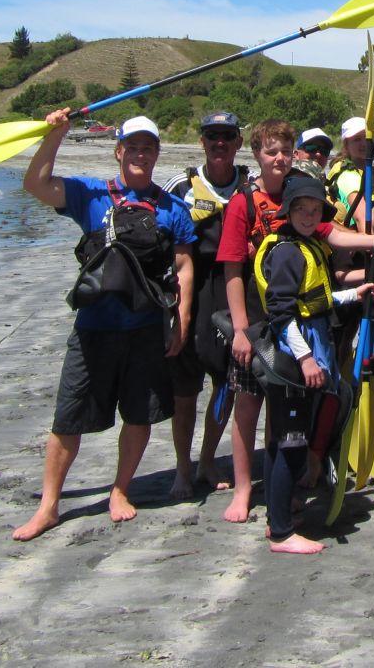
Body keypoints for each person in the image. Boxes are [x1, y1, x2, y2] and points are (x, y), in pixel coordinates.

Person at [12, 113, 196, 541]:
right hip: (93, 330)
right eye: (132, 146)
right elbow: (36, 185)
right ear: (118, 152)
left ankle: (120, 490)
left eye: (148, 147)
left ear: (156, 154)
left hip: (147, 328)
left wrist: (181, 321)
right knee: (68, 419)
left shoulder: (174, 210)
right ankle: (49, 506)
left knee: (139, 416)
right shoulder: (90, 195)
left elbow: (184, 268)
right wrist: (54, 135)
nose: (140, 154)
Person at [215, 119, 374, 524]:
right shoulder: (243, 203)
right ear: (256, 154)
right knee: (248, 404)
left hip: (292, 328)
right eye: (271, 151)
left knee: (282, 409)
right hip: (258, 321)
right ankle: (242, 489)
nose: (278, 159)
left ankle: (281, 487)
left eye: (285, 152)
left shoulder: (301, 199)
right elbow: (233, 269)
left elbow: (337, 236)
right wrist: (239, 328)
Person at [248, 175, 371, 554]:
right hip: (293, 351)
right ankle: (282, 533)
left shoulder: (307, 245)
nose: (306, 214)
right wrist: (304, 359)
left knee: (284, 437)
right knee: (291, 440)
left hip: (306, 341)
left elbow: (314, 298)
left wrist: (354, 294)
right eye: (300, 208)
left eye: (314, 209)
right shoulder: (286, 251)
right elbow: (282, 313)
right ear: (288, 211)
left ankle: (279, 517)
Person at [161, 110, 248, 497]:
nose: (220, 143)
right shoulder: (181, 185)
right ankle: (183, 468)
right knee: (184, 391)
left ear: (238, 143)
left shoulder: (251, 185)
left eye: (227, 136)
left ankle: (208, 459)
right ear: (202, 141)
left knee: (226, 386)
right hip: (189, 295)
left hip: (233, 293)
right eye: (213, 136)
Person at [325, 116, 371, 229]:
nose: (363, 143)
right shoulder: (349, 176)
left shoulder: (366, 171)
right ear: (346, 145)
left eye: (366, 137)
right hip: (358, 241)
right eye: (357, 139)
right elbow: (362, 219)